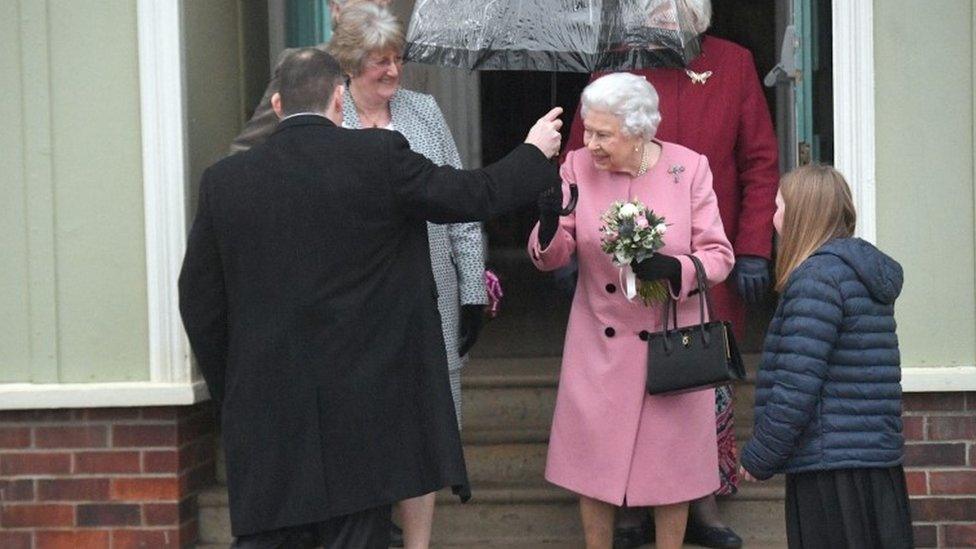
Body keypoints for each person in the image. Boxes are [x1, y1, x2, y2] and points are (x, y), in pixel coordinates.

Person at [178, 48, 564, 548]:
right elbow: (470, 195)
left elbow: (198, 300)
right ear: (340, 99)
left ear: (277, 106)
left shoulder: (223, 183)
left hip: (267, 417)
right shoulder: (379, 157)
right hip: (365, 410)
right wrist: (533, 152)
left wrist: (235, 387)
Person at [563, 2, 779, 546]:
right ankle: (631, 508)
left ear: (696, 17)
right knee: (624, 397)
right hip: (615, 278)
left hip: (702, 254)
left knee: (696, 382)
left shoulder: (732, 62)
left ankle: (704, 504)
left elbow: (758, 159)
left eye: (669, 9)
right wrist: (567, 242)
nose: (657, 17)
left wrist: (754, 245)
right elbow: (579, 159)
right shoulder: (615, 63)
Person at [528, 72, 734, 549]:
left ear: (639, 129)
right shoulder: (576, 165)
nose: (591, 143)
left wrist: (675, 267)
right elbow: (555, 254)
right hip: (599, 338)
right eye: (588, 130)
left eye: (604, 134)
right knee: (592, 465)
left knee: (671, 470)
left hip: (670, 339)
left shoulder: (689, 167)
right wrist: (544, 228)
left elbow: (720, 256)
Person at [328, 4, 487, 547]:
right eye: (379, 61)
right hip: (358, 304)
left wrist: (471, 293)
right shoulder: (330, 119)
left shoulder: (424, 112)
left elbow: (460, 202)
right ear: (350, 65)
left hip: (431, 296)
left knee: (425, 423)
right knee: (366, 421)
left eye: (398, 59)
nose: (393, 71)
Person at [739, 165, 913, 549]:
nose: (773, 216)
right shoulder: (855, 274)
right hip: (872, 462)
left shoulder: (817, 280)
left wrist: (760, 455)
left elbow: (796, 386)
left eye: (779, 206)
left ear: (802, 215)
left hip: (831, 469)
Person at [228, 0, 391, 154]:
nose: (380, 5)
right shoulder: (304, 65)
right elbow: (246, 149)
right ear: (336, 9)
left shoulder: (404, 68)